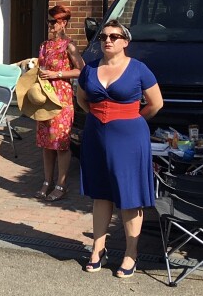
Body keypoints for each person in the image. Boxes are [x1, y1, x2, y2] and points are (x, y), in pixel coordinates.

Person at [76, 20, 163, 278]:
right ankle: (97, 248)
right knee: (101, 193)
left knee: (129, 194)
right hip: (96, 136)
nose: (108, 40)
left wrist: (132, 120)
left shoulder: (139, 69)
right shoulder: (90, 69)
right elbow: (82, 99)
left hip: (129, 137)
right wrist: (97, 116)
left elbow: (155, 104)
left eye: (114, 36)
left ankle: (130, 253)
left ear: (125, 41)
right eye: (103, 37)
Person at [21, 5, 85, 202]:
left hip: (62, 99)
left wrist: (57, 74)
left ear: (63, 23)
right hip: (44, 96)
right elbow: (40, 67)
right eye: (48, 22)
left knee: (61, 144)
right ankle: (46, 182)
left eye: (53, 22)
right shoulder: (44, 45)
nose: (49, 25)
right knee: (46, 143)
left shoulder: (69, 46)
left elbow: (81, 70)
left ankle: (61, 184)